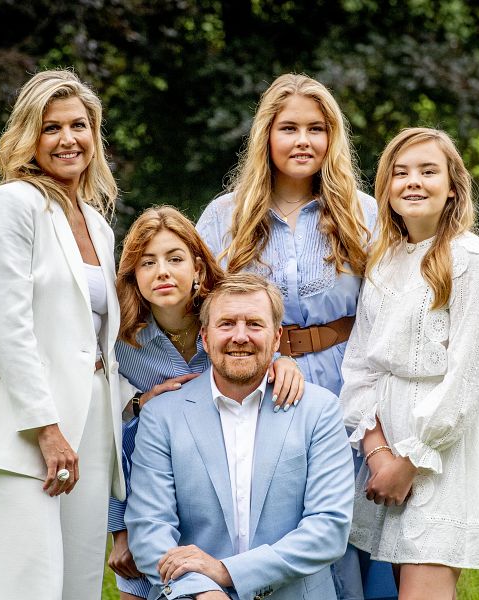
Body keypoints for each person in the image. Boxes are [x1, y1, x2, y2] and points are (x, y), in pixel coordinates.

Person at [195, 72, 393, 600]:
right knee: (274, 523)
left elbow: (408, 305)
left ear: (332, 139)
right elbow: (200, 310)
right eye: (289, 128)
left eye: (316, 128)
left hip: (349, 382)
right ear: (267, 136)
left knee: (350, 527)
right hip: (258, 386)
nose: (303, 141)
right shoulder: (225, 216)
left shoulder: (365, 212)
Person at [0, 69, 125, 599]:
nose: (68, 139)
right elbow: (11, 329)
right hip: (23, 430)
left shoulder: (97, 223)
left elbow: (99, 338)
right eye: (52, 128)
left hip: (91, 428)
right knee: (29, 587)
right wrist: (47, 430)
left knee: (79, 589)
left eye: (79, 125)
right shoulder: (12, 205)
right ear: (29, 136)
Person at [340, 127, 479, 599]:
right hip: (387, 451)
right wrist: (378, 453)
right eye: (401, 172)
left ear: (453, 186)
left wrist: (410, 462)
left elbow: (467, 378)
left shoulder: (470, 259)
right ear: (386, 188)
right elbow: (360, 367)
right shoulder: (383, 260)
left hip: (440, 456)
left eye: (428, 171)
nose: (412, 181)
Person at [107, 206, 305, 600]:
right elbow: (112, 437)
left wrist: (284, 362)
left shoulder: (224, 321)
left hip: (216, 495)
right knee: (143, 580)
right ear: (133, 276)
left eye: (175, 259)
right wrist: (120, 530)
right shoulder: (120, 340)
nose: (162, 272)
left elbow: (259, 342)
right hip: (151, 497)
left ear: (198, 268)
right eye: (148, 263)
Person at [125, 273, 355, 600]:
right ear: (205, 336)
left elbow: (328, 529)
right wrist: (204, 589)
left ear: (276, 339)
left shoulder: (320, 411)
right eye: (227, 323)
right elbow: (150, 530)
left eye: (255, 325)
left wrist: (228, 572)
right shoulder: (162, 415)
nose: (240, 336)